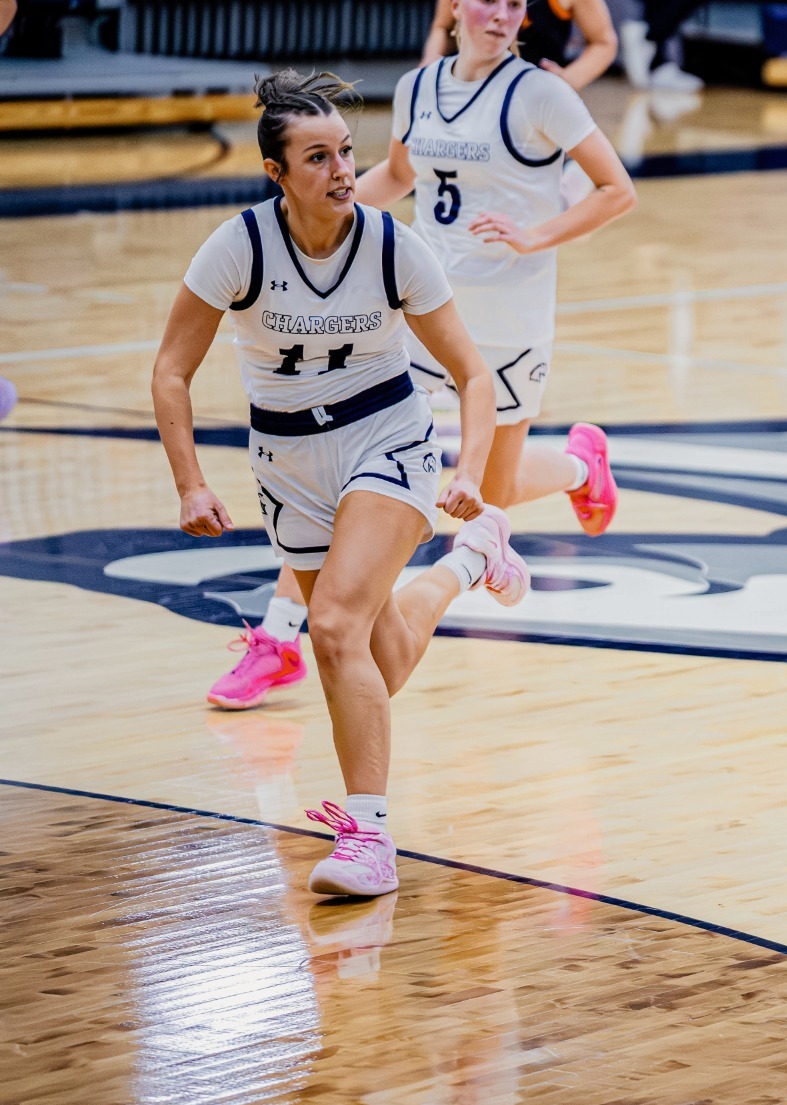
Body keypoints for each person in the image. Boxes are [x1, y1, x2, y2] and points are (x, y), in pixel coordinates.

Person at [154, 71, 531, 897]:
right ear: (277, 172)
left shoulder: (393, 245)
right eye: (317, 157)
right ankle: (473, 559)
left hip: (386, 439)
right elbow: (171, 371)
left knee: (329, 628)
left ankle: (370, 837)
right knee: (373, 661)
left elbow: (473, 373)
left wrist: (468, 469)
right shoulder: (239, 247)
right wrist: (190, 483)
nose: (340, 171)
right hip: (286, 461)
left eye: (346, 153)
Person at [203, 0, 638, 712]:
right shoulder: (419, 87)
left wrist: (535, 235)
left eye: (516, 3)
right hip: (419, 307)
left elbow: (617, 190)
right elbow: (397, 177)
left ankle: (581, 468)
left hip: (509, 320)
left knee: (489, 488)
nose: (502, 14)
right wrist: (295, 220)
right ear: (454, 5)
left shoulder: (543, 93)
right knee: (342, 472)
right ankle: (278, 639)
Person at [424, 0, 619, 91]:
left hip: (534, 98)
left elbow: (604, 42)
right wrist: (428, 67)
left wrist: (568, 80)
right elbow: (443, 27)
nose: (502, 16)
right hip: (468, 89)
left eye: (514, 5)